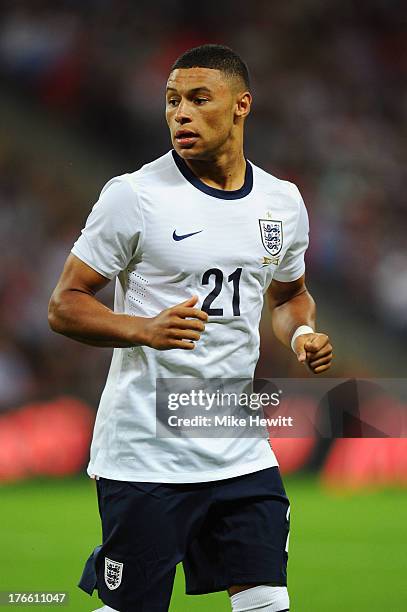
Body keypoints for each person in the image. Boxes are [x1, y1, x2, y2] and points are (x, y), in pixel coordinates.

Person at [48, 44, 333, 612]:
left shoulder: (282, 202)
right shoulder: (134, 196)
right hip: (146, 454)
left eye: (199, 99)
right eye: (172, 100)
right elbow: (64, 304)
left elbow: (290, 297)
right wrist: (143, 329)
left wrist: (300, 335)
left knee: (268, 603)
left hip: (240, 449)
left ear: (241, 106)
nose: (181, 112)